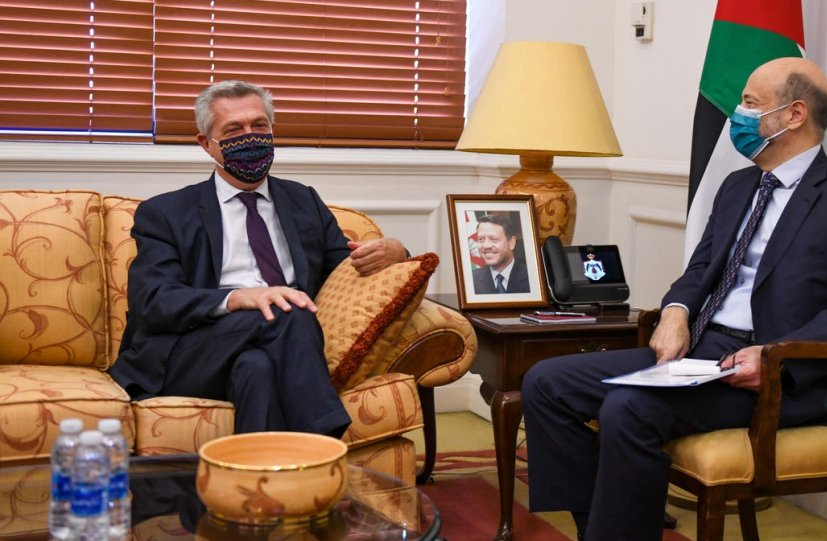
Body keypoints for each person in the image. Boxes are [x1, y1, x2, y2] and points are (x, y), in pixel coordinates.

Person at [521, 57, 827, 541]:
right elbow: (701, 269)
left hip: (777, 374)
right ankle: (598, 529)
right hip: (699, 353)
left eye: (750, 103)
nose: (736, 116)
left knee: (628, 408)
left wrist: (772, 356)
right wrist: (676, 312)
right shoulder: (738, 185)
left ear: (794, 114)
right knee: (546, 382)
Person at [108, 80, 408, 438]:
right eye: (234, 130)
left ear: (272, 130)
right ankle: (326, 438)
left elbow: (346, 267)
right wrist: (237, 298)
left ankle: (260, 487)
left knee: (257, 368)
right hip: (194, 349)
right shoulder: (167, 212)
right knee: (287, 309)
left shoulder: (303, 201)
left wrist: (397, 254)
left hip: (276, 347)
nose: (250, 137)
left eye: (259, 126)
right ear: (207, 144)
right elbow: (154, 301)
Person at [471, 214, 530, 294]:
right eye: (481, 239)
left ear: (511, 242)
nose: (486, 245)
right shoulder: (470, 280)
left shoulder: (532, 277)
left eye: (493, 239)